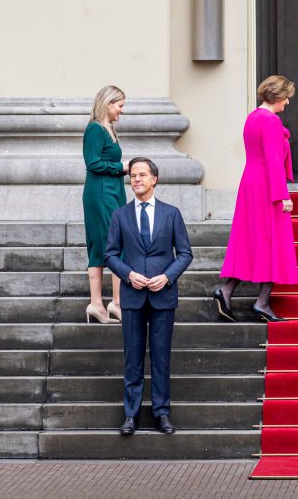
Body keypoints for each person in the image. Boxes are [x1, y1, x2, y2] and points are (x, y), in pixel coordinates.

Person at [105, 157, 193, 435]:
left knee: (161, 357)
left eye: (142, 175)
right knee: (132, 358)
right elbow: (109, 255)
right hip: (132, 295)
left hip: (162, 295)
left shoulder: (172, 213)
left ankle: (161, 412)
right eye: (132, 175)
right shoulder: (120, 215)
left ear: (154, 179)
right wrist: (128, 275)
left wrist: (167, 276)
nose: (136, 179)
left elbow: (186, 253)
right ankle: (130, 415)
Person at [215, 75, 298, 322]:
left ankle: (227, 290)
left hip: (252, 183)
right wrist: (283, 196)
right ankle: (261, 302)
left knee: (252, 240)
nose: (287, 103)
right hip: (266, 187)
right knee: (274, 242)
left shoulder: (253, 117)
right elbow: (274, 161)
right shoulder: (270, 121)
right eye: (286, 97)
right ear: (278, 96)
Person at [82, 85, 127, 324]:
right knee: (112, 245)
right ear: (108, 104)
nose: (121, 111)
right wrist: (122, 167)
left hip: (111, 192)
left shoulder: (107, 129)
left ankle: (98, 304)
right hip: (101, 194)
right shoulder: (95, 129)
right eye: (119, 105)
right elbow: (93, 163)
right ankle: (114, 304)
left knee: (103, 246)